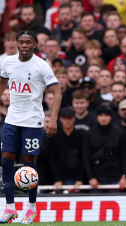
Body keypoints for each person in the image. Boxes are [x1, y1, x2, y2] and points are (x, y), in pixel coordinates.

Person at [0, 31, 61, 223]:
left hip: (33, 121)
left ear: (34, 44)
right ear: (17, 44)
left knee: (29, 165)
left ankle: (31, 208)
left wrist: (53, 119)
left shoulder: (41, 66)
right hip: (12, 119)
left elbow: (57, 92)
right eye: (21, 42)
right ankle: (10, 208)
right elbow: (1, 84)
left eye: (28, 42)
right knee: (6, 161)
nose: (24, 45)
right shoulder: (8, 62)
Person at [83, 105, 126, 192]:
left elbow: (125, 156)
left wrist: (124, 176)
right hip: (96, 180)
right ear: (97, 117)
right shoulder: (89, 134)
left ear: (111, 117)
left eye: (106, 115)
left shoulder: (119, 133)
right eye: (100, 115)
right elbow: (85, 157)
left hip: (115, 179)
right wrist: (91, 177)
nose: (103, 118)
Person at [49, 107, 84, 188]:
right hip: (60, 179)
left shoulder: (81, 136)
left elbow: (83, 158)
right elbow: (52, 159)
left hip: (77, 180)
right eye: (65, 118)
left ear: (74, 119)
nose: (67, 121)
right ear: (61, 119)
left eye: (69, 118)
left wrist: (80, 179)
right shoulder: (55, 138)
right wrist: (57, 179)